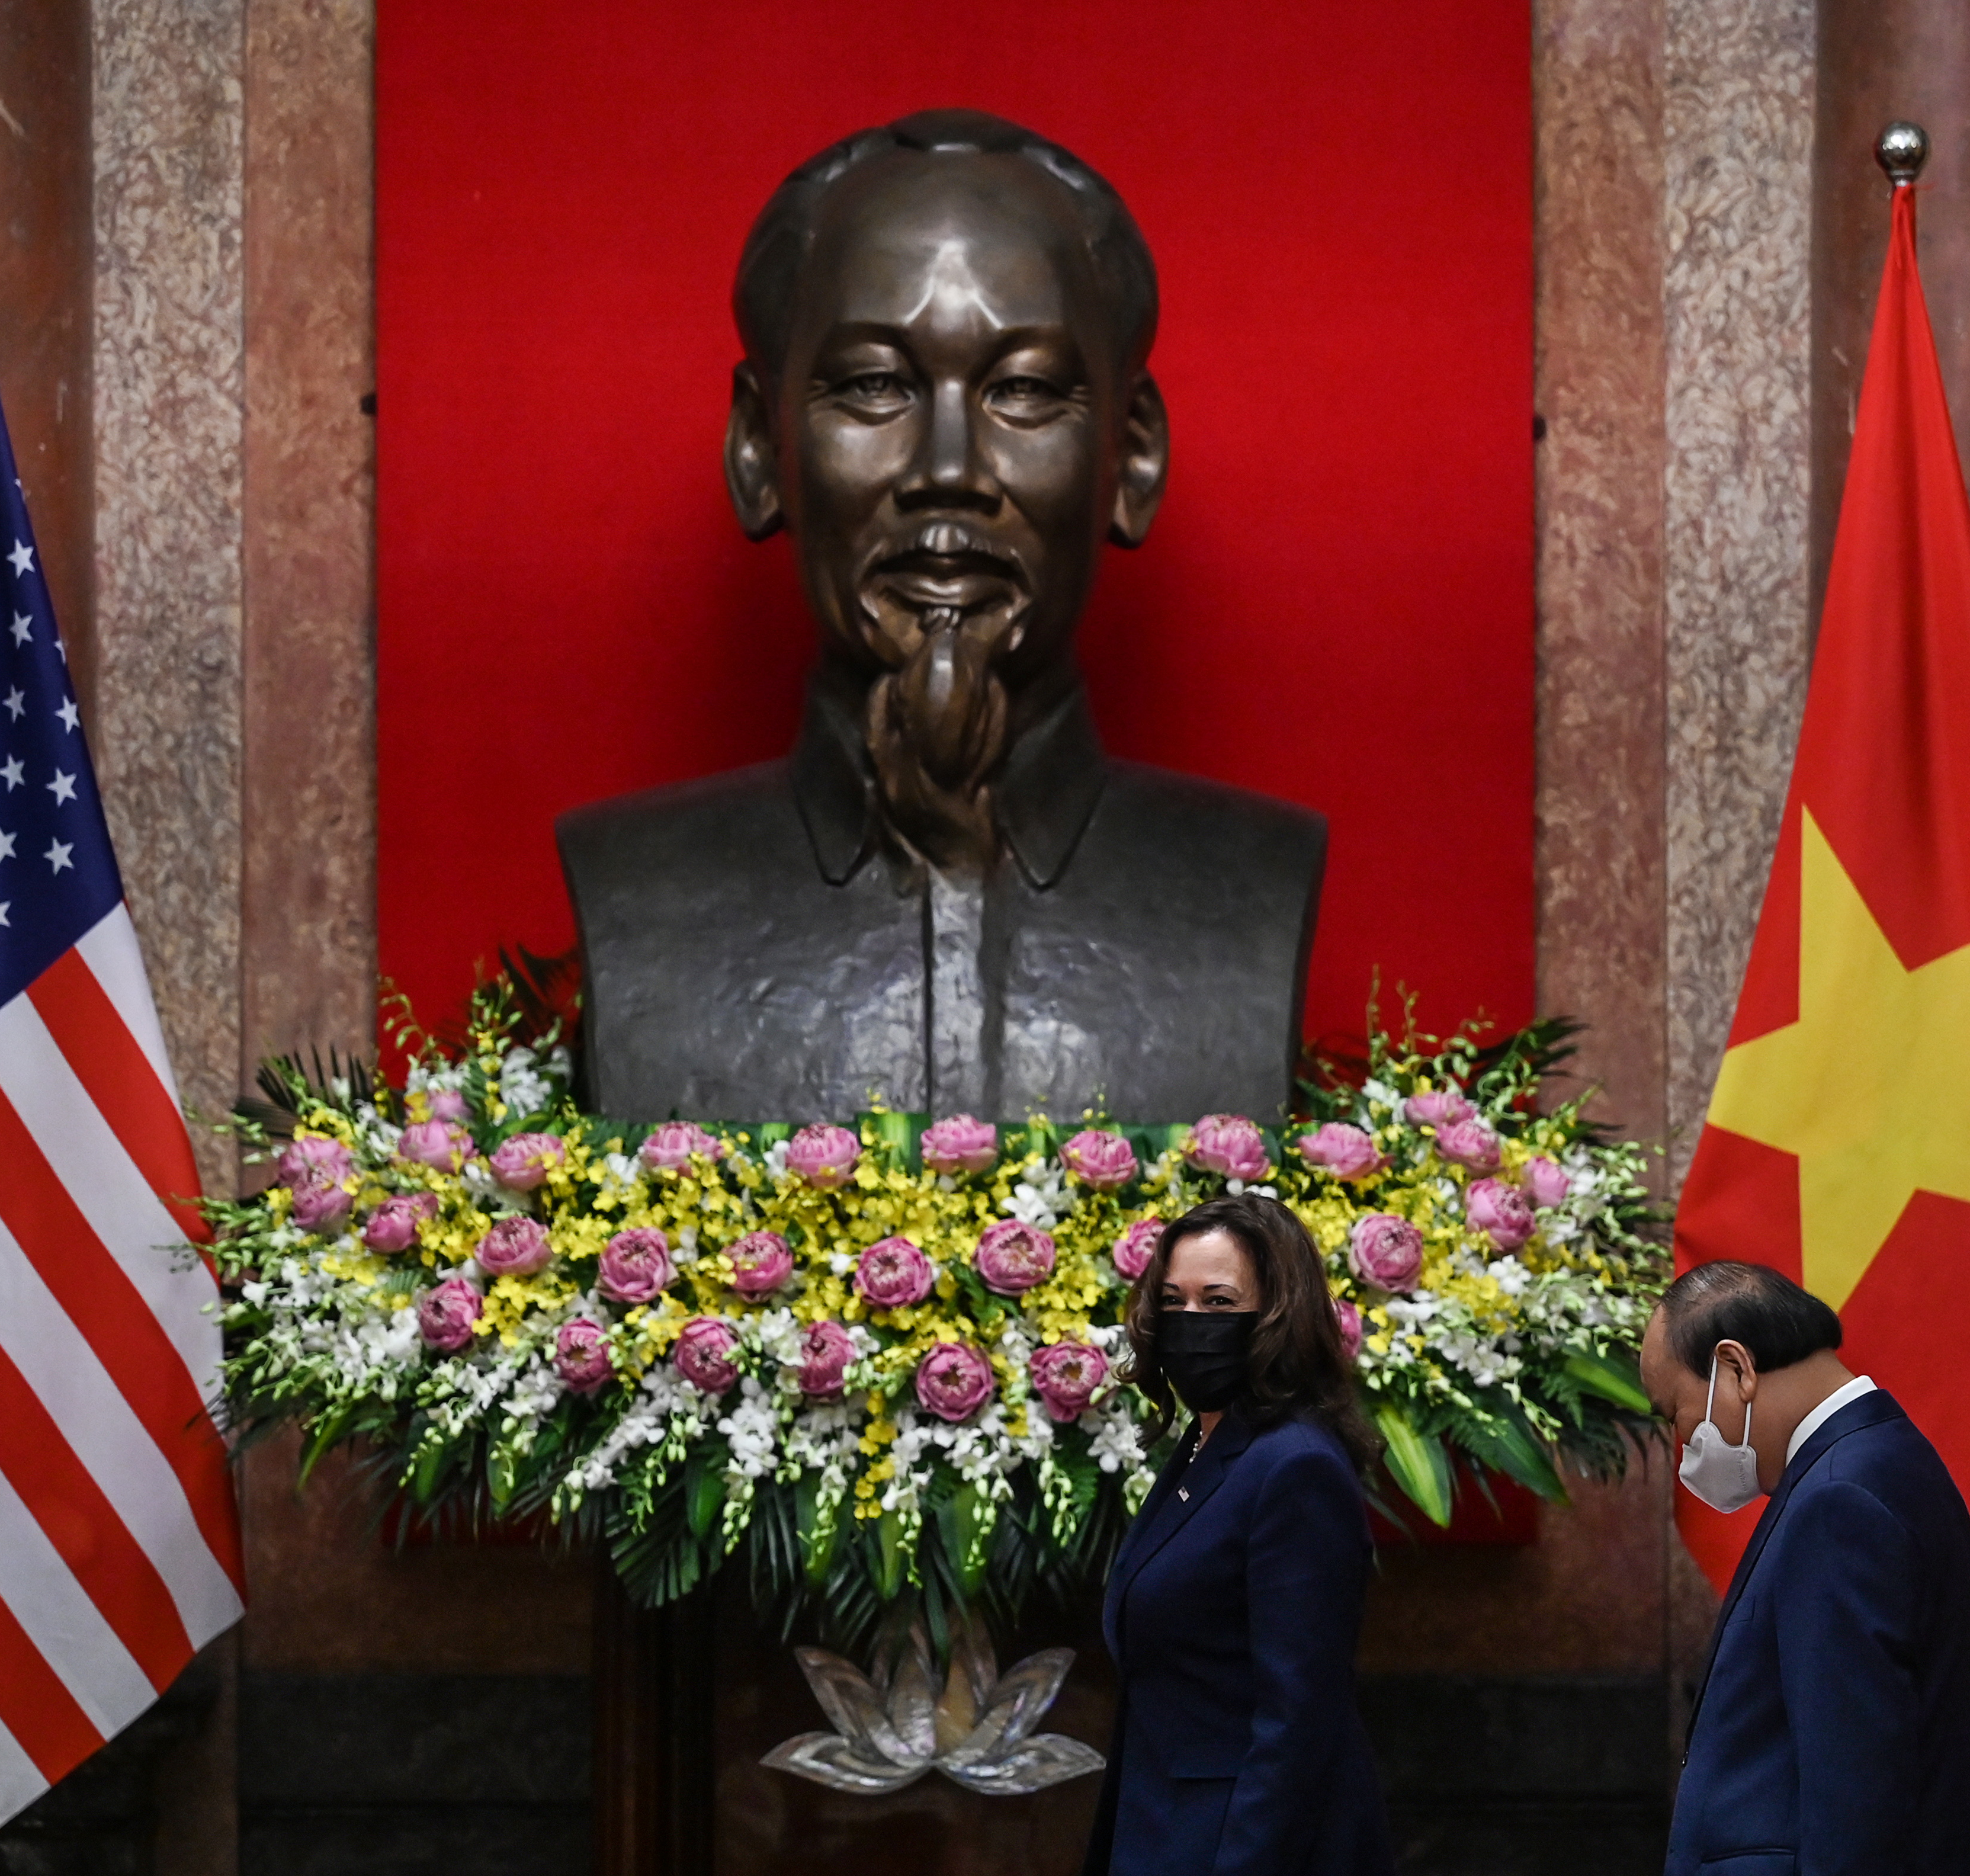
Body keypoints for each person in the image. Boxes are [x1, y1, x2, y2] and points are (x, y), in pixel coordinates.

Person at [557, 109, 1324, 1127]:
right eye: (875, 386)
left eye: (1023, 391)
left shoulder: (1253, 888)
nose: (949, 471)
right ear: (758, 449)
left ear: (1132, 459)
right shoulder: (639, 891)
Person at [1641, 1261, 1970, 1876]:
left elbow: (1856, 1793)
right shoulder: (1871, 1464)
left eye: (1673, 1411)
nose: (1682, 1440)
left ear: (1736, 1367)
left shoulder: (1840, 1499)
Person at [1083, 1193, 1395, 1876]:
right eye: (1173, 1300)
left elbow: (1298, 1721)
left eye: (1218, 1302)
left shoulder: (1295, 1465)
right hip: (1162, 1822)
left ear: (1277, 1315)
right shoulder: (1207, 1442)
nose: (1189, 1322)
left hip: (1240, 1842)